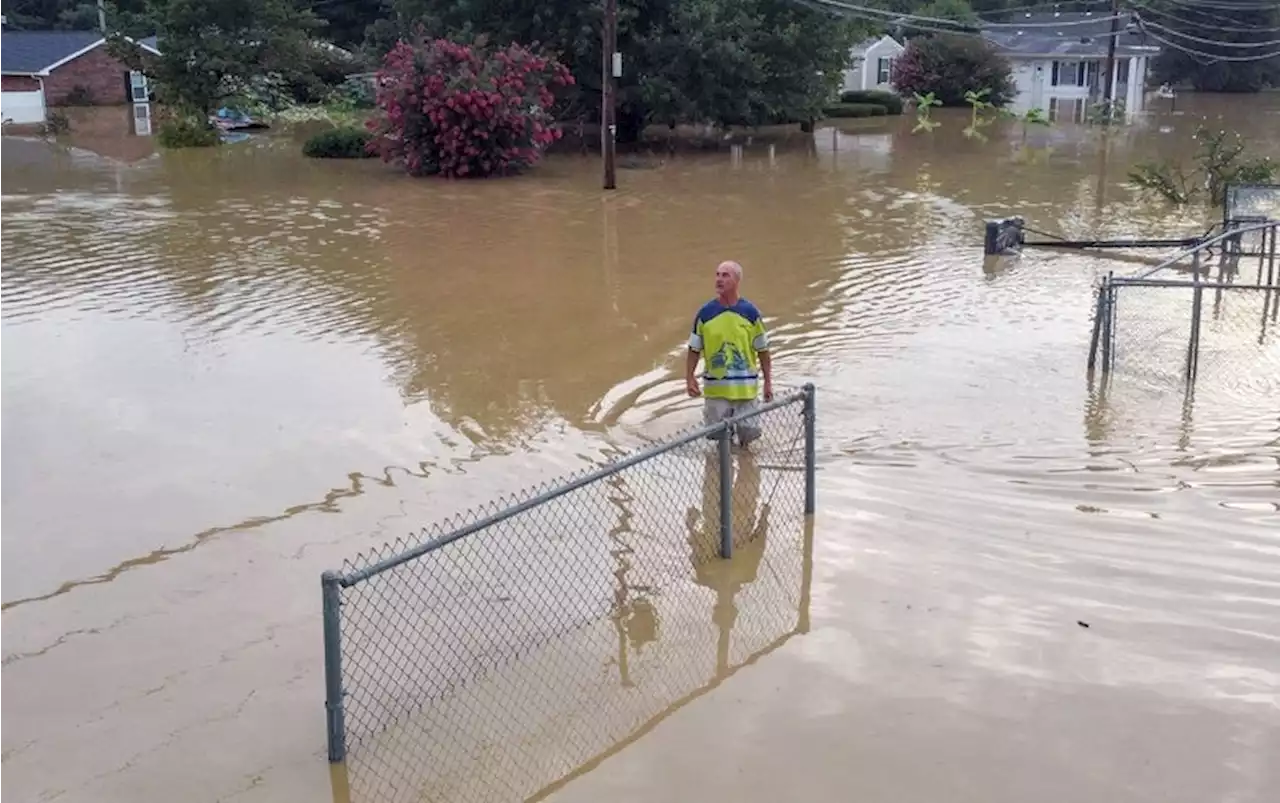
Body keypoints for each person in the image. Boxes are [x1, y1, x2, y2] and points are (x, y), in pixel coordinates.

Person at [685, 260, 773, 446]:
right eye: (717, 275)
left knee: (747, 440)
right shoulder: (705, 314)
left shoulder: (750, 313)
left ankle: (745, 468)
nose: (719, 279)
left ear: (737, 281)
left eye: (725, 275)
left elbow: (763, 351)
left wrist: (768, 383)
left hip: (746, 391)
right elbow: (694, 349)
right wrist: (689, 377)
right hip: (716, 391)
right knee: (721, 442)